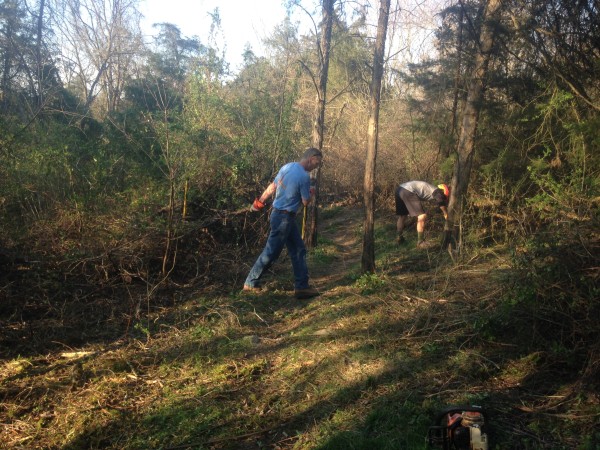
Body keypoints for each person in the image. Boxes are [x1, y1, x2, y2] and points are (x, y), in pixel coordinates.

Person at [243, 147, 323, 299]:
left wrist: (259, 202)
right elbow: (306, 202)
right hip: (284, 219)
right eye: (316, 163)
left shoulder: (287, 166)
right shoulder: (304, 177)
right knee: (271, 252)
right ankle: (250, 282)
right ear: (311, 158)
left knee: (298, 249)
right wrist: (312, 188)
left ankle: (302, 287)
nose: (315, 167)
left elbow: (272, 187)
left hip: (279, 215)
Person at [395, 181, 450, 247]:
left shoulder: (431, 189)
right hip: (408, 191)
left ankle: (399, 237)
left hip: (399, 190)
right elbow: (441, 203)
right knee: (422, 215)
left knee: (402, 216)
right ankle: (420, 242)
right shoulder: (439, 192)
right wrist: (445, 213)